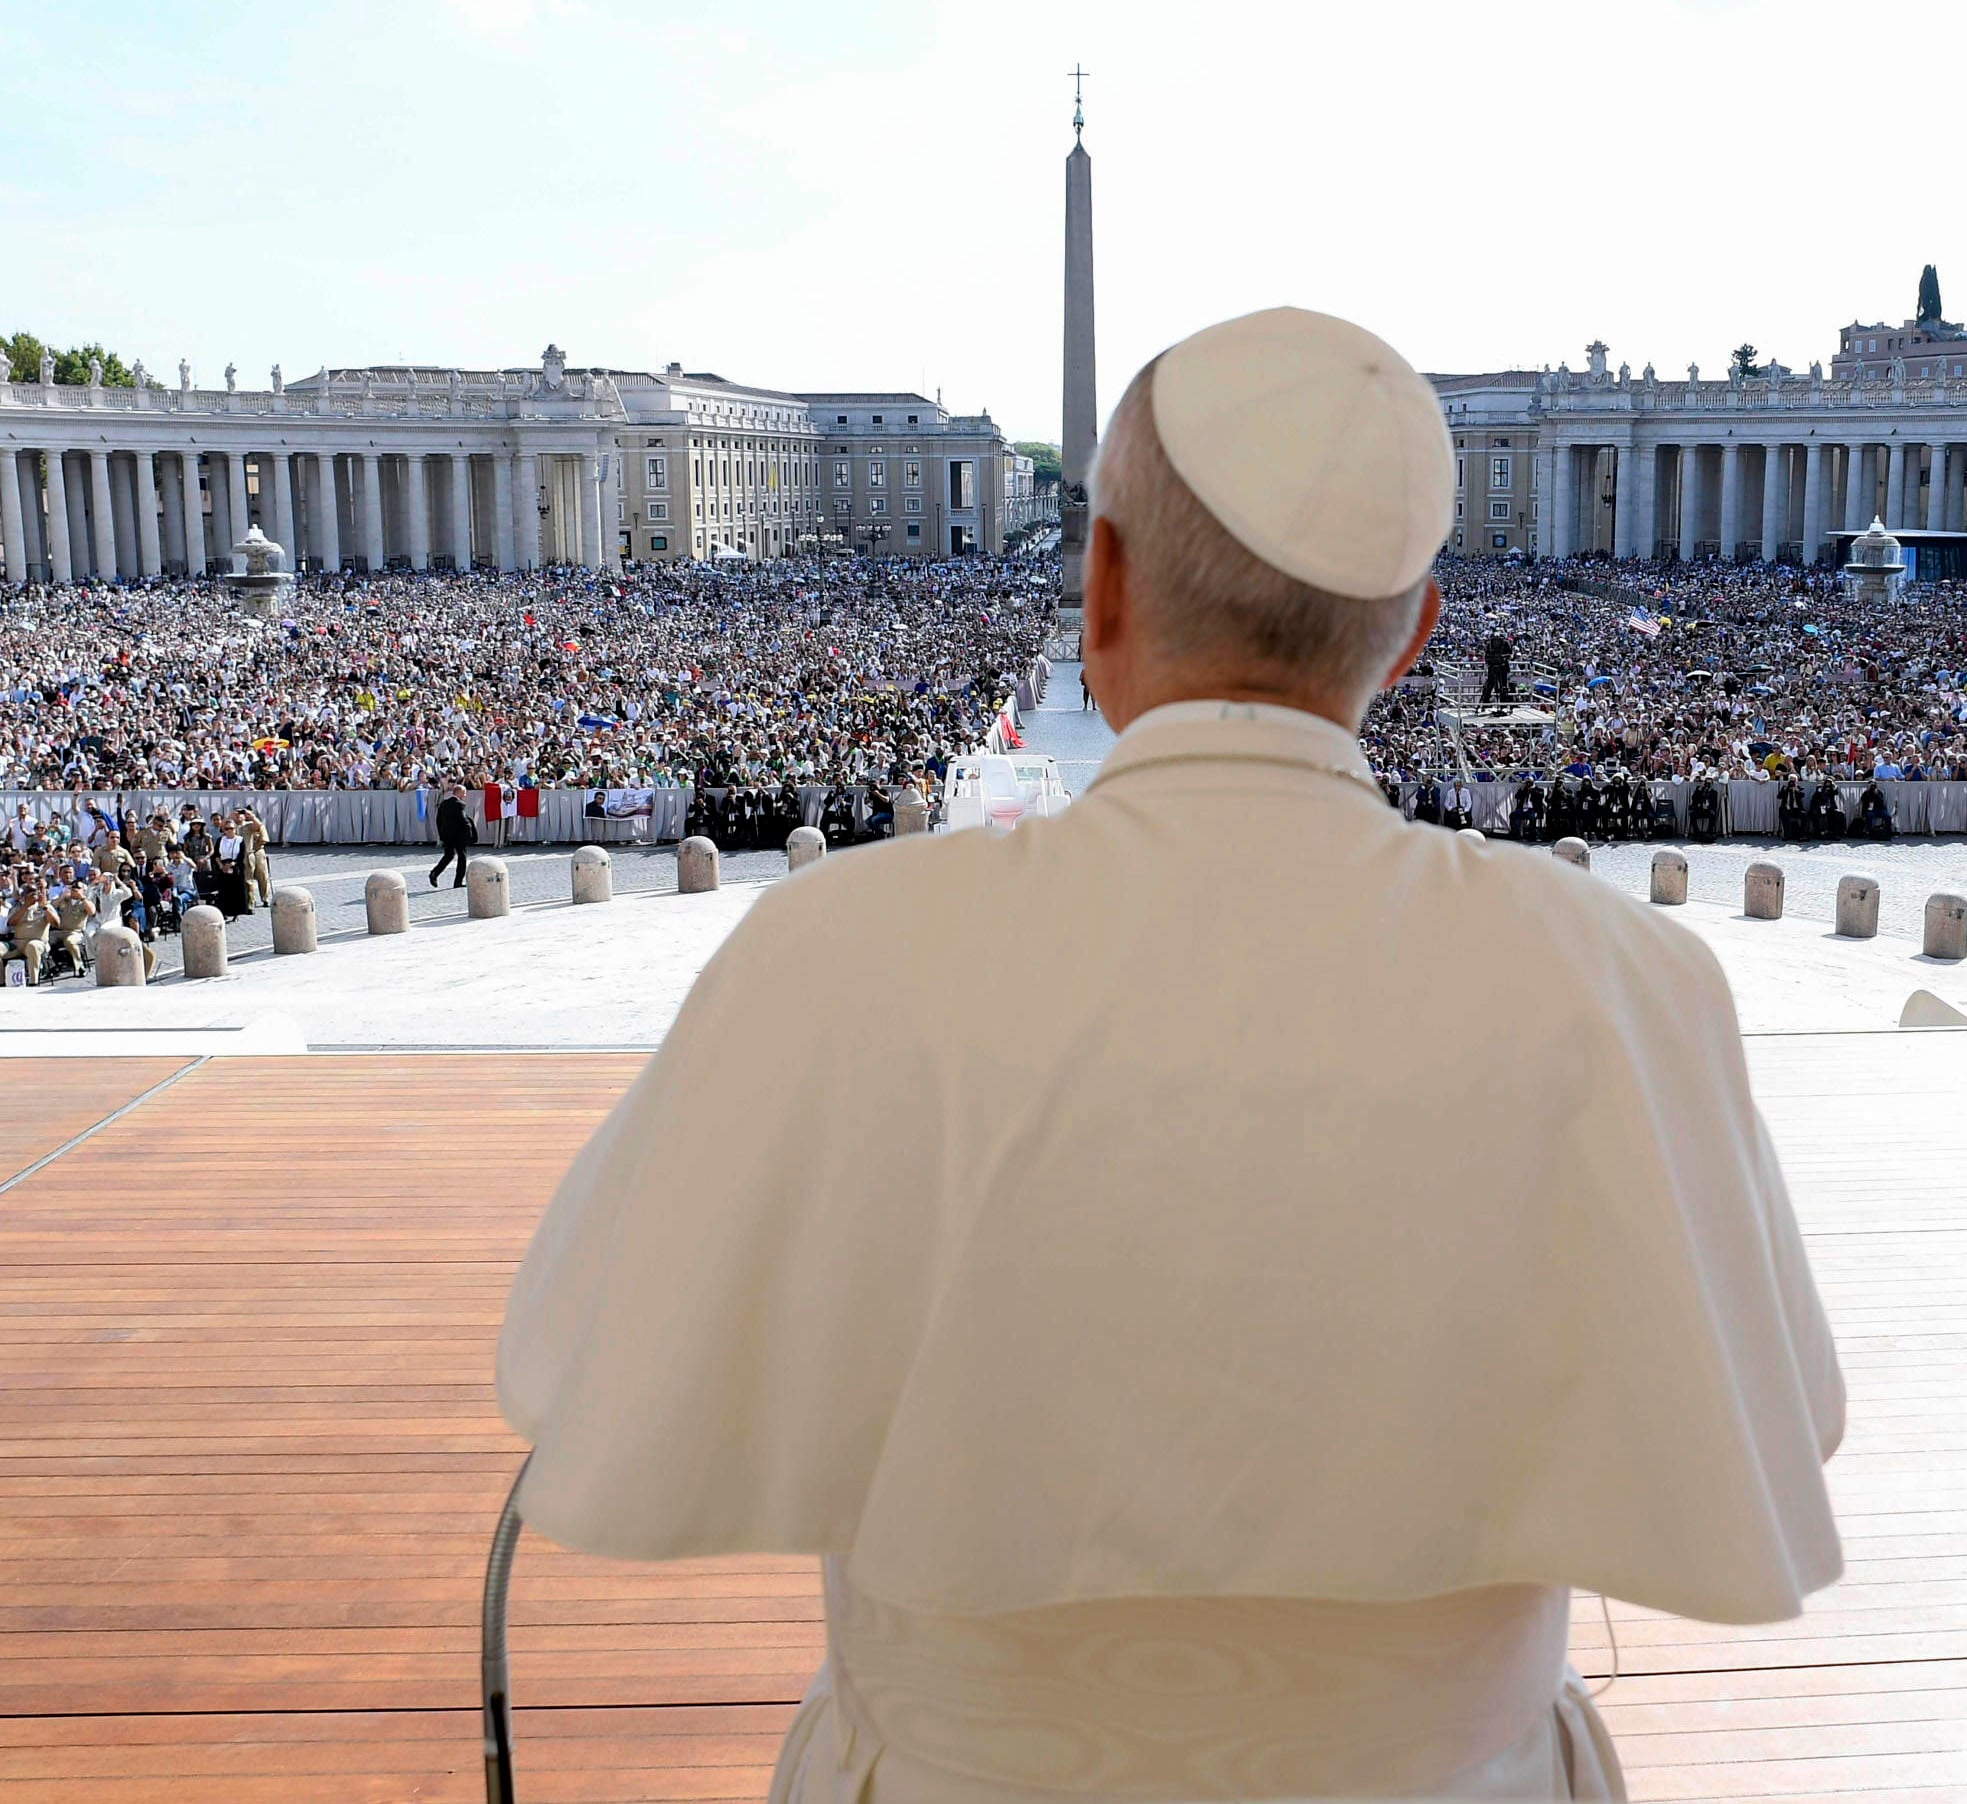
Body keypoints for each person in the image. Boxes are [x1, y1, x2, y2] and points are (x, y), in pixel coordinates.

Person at [499, 307, 1847, 1803]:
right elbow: (1788, 1411)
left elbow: (578, 1370)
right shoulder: (1626, 982)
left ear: (1100, 586)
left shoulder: (837, 950)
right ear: (1414, 629)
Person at [430, 784, 474, 888]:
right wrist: (469, 831)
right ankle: (458, 881)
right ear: (459, 793)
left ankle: (435, 873)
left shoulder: (444, 803)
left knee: (448, 856)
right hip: (458, 835)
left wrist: (441, 833)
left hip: (447, 835)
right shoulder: (460, 804)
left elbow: (438, 820)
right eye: (464, 792)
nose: (465, 795)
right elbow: (463, 820)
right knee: (462, 857)